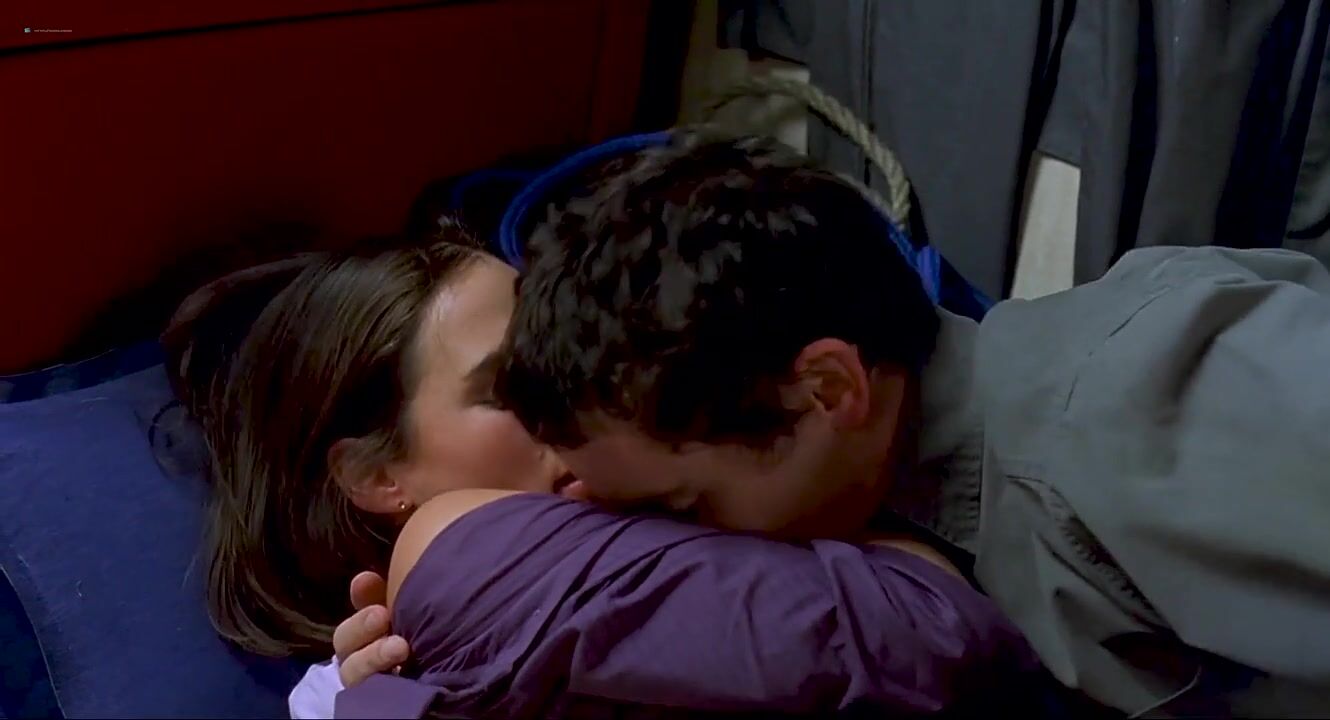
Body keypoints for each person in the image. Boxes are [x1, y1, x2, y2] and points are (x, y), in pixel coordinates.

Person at [333, 132, 1330, 717]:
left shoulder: (1144, 402)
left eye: (685, 505)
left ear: (823, 390)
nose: (683, 543)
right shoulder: (883, 501)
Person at [165, 226, 1039, 717]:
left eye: (564, 351)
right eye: (510, 386)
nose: (581, 396)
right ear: (374, 476)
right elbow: (943, 642)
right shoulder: (456, 555)